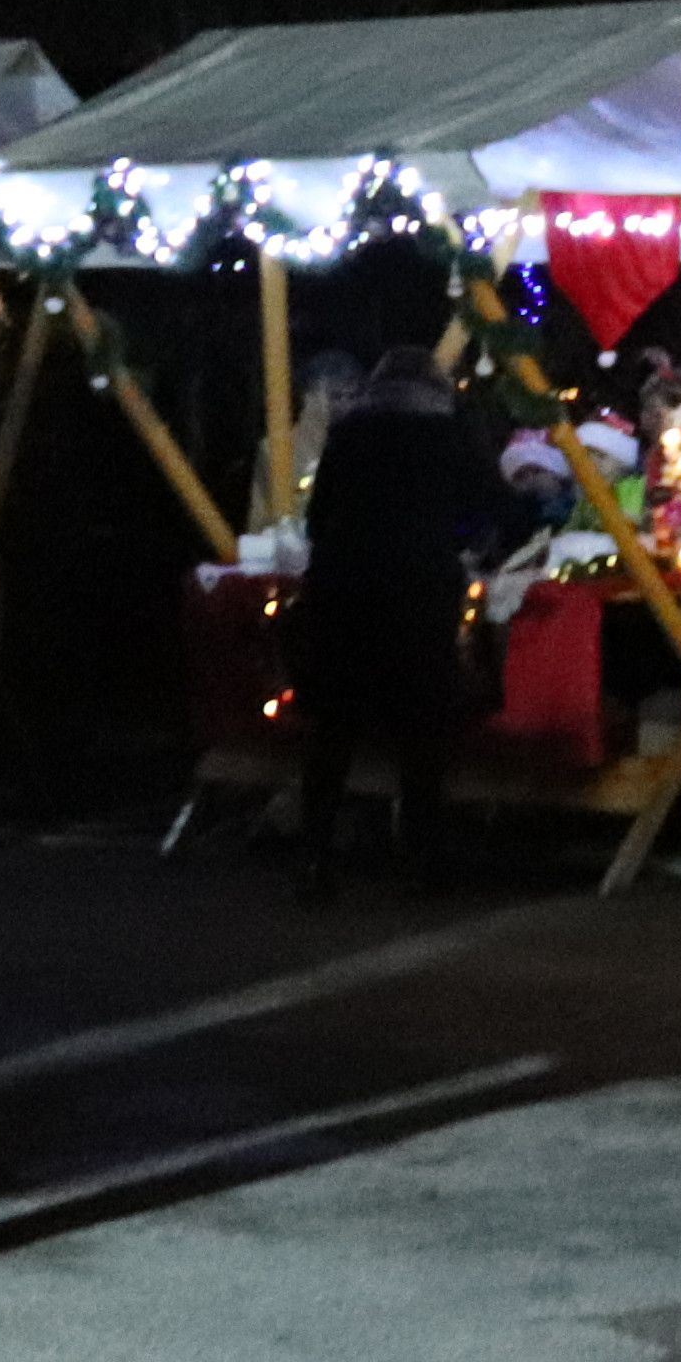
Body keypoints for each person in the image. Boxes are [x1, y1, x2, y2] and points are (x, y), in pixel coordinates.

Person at [287, 247, 520, 903]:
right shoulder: (447, 430)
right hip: (417, 595)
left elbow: (317, 517)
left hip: (341, 592)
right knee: (423, 731)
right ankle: (427, 860)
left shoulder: (350, 432)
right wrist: (476, 538)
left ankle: (315, 858)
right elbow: (491, 506)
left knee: (332, 732)